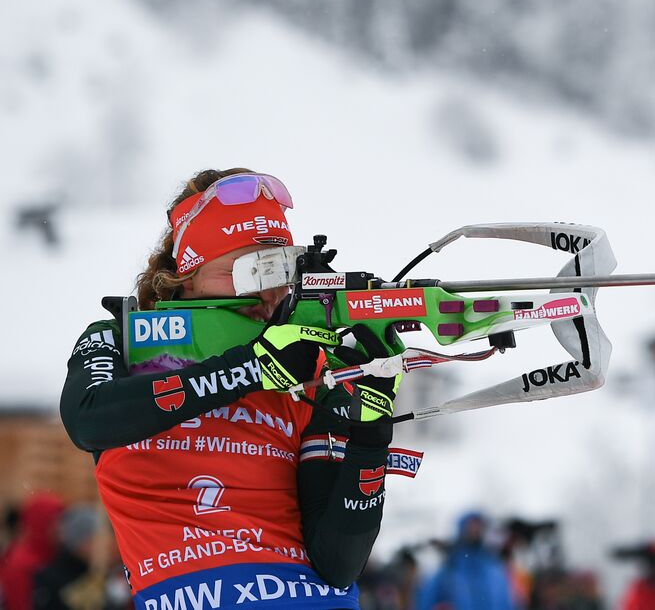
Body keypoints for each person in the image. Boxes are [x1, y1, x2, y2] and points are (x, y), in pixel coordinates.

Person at [61, 169, 400, 610]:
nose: (270, 292)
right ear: (187, 276)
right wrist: (248, 368)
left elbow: (339, 561)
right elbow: (87, 418)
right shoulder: (123, 341)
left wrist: (373, 428)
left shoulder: (309, 367)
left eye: (283, 270)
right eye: (249, 272)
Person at [416, 512, 516, 610]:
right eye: (471, 526)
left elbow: (508, 602)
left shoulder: (495, 570)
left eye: (479, 526)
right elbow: (426, 602)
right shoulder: (447, 572)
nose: (475, 530)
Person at [0, 492, 65, 610]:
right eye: (55, 522)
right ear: (41, 523)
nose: (60, 528)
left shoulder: (57, 555)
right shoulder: (19, 564)